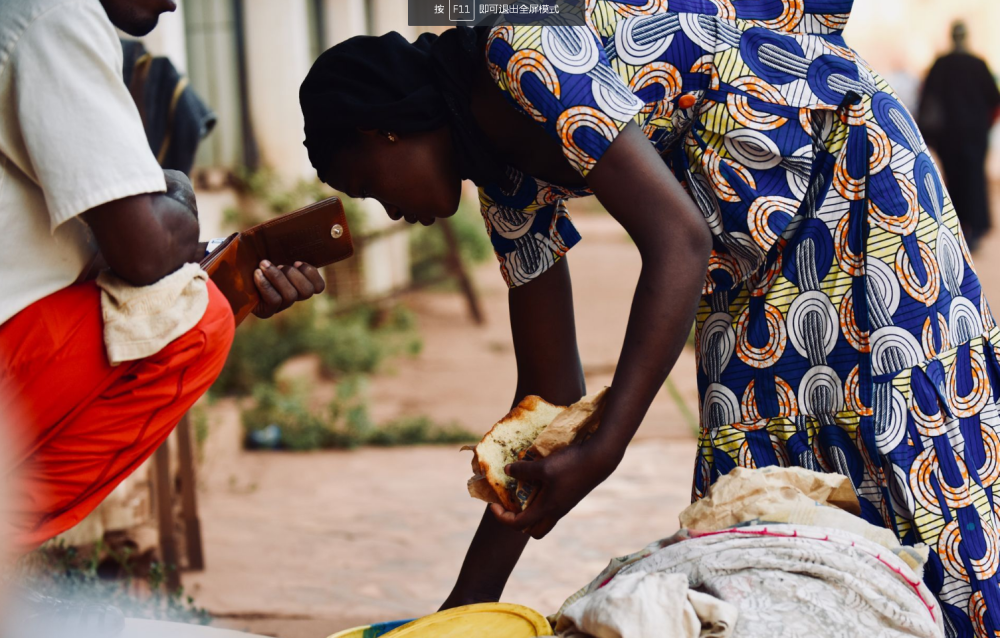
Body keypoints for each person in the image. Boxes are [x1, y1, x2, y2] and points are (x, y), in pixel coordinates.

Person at [300, 2, 1000, 635]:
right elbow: (550, 395)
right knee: (752, 486)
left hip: (850, 181)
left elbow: (678, 240)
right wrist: (459, 614)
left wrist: (605, 450)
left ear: (384, 131)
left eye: (366, 186)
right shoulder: (505, 188)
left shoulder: (521, 46)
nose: (387, 211)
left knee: (897, 431)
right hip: (747, 255)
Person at [0, 0, 325, 566]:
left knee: (195, 298)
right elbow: (145, 253)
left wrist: (206, 261)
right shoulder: (57, 17)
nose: (175, 3)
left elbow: (123, 251)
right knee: (197, 324)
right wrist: (176, 196)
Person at [919, 21, 1000, 251]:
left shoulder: (940, 65)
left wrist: (930, 136)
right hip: (975, 135)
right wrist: (984, 125)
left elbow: (926, 103)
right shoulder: (978, 64)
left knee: (953, 181)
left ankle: (957, 229)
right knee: (974, 179)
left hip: (948, 138)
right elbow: (994, 100)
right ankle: (975, 228)